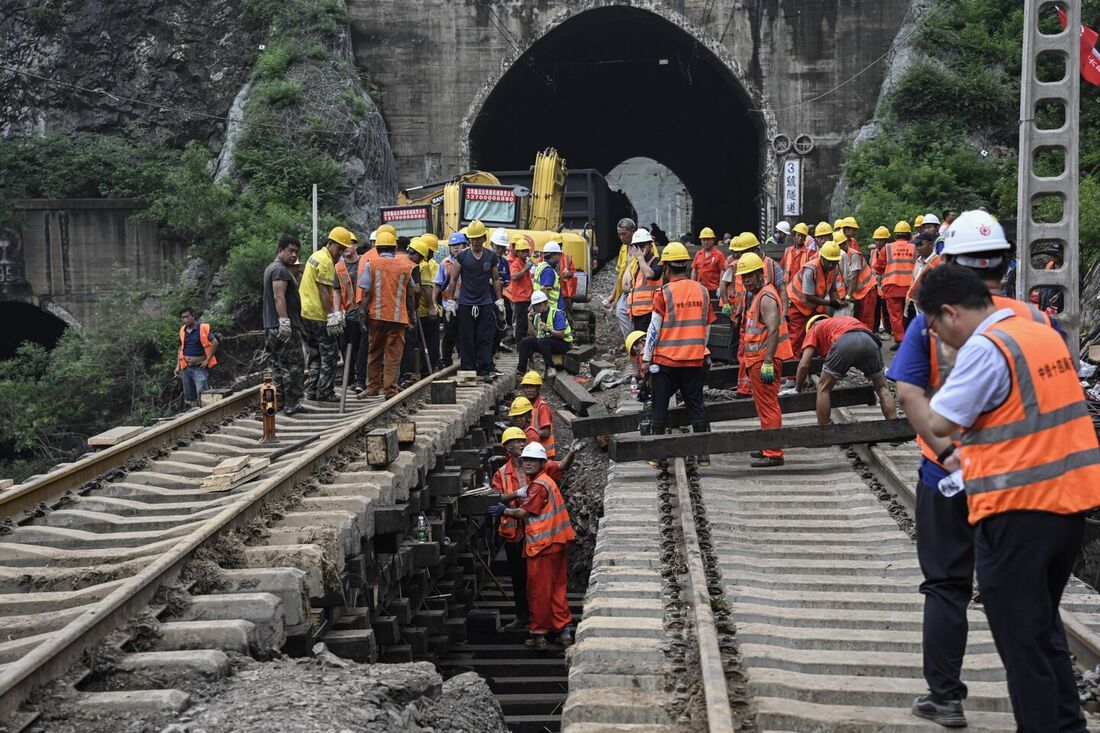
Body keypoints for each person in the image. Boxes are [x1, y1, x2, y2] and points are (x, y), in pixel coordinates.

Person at [890, 209, 1060, 728]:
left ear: (948, 263)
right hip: (1021, 478)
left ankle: (945, 696)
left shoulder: (930, 318)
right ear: (1006, 265)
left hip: (947, 474)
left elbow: (907, 392)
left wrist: (944, 452)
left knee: (946, 584)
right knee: (1030, 596)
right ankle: (1049, 708)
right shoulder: (1036, 319)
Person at [921, 262, 1100, 733]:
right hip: (1069, 505)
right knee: (1043, 632)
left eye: (935, 328)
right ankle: (1068, 726)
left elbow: (940, 420)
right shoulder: (1038, 333)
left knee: (1022, 644)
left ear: (949, 313)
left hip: (1017, 509)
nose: (938, 338)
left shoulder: (987, 347)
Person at [489, 441, 576, 650]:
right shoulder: (545, 481)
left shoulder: (538, 486)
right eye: (526, 460)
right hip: (557, 542)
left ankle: (538, 634)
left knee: (538, 590)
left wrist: (503, 511)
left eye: (532, 460)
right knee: (556, 588)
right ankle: (563, 631)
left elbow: (522, 512)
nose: (527, 464)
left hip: (542, 546)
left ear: (541, 463)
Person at [642, 242, 714, 466]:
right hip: (693, 359)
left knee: (660, 403)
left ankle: (656, 454)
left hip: (667, 360)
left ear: (667, 268)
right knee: (696, 404)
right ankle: (702, 455)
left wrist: (646, 359)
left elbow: (654, 329)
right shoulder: (702, 291)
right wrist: (703, 350)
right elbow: (707, 324)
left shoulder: (664, 293)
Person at [737, 253, 792, 468]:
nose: (745, 282)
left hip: (764, 359)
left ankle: (773, 452)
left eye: (749, 277)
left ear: (760, 274)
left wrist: (768, 360)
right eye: (743, 278)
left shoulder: (767, 297)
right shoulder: (760, 294)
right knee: (763, 405)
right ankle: (767, 444)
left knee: (768, 405)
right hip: (758, 359)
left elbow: (773, 329)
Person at [795, 314, 895, 425]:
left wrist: (798, 388)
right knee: (882, 388)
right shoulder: (842, 320)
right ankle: (894, 429)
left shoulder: (814, 328)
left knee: (823, 388)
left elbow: (804, 364)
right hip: (870, 340)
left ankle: (823, 431)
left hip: (845, 341)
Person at [357, 230, 417, 398]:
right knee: (393, 355)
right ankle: (390, 390)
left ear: (377, 248)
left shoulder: (371, 264)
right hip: (398, 318)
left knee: (374, 352)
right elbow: (410, 293)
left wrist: (363, 313)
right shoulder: (406, 266)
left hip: (376, 317)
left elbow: (367, 292)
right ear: (395, 248)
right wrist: (412, 314)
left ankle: (373, 387)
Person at [444, 220, 505, 378]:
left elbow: (496, 279)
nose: (476, 241)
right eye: (473, 238)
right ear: (469, 239)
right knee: (467, 337)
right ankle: (468, 369)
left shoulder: (490, 256)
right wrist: (451, 302)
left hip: (484, 303)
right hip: (465, 303)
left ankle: (484, 369)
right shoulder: (462, 256)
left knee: (485, 337)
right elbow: (453, 279)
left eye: (478, 238)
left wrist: (499, 301)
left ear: (484, 238)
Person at [300, 227, 352, 402]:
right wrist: (331, 315)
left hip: (305, 313)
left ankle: (313, 390)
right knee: (329, 355)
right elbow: (324, 291)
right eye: (339, 249)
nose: (340, 254)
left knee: (314, 354)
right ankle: (325, 392)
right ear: (330, 243)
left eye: (343, 251)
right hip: (318, 315)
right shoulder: (327, 262)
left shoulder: (315, 256)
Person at [491, 426, 533, 630]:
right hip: (513, 534)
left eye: (523, 441)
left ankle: (540, 616)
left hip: (534, 531)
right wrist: (517, 493)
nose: (522, 444)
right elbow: (495, 498)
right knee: (518, 577)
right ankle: (523, 616)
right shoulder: (502, 473)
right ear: (508, 447)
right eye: (517, 441)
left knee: (535, 577)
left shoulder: (532, 465)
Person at [262, 235, 305, 415]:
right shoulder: (280, 270)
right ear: (280, 250)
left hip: (271, 325)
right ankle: (292, 403)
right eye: (290, 251)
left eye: (296, 251)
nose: (294, 255)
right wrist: (285, 321)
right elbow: (279, 296)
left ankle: (279, 401)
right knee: (293, 365)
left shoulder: (273, 268)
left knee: (278, 365)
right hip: (283, 325)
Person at [787, 231, 844, 356]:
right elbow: (809, 297)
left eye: (834, 262)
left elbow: (833, 289)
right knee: (797, 337)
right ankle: (793, 371)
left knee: (823, 331)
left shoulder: (833, 269)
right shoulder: (811, 269)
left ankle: (818, 363)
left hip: (814, 305)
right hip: (798, 304)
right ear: (822, 257)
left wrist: (838, 303)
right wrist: (830, 302)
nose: (831, 264)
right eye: (829, 261)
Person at [874, 220, 915, 350]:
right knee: (910, 314)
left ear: (895, 234)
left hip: (892, 285)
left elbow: (878, 267)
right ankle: (911, 340)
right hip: (911, 286)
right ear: (908, 234)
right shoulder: (915, 247)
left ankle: (900, 340)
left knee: (895, 315)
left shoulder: (888, 248)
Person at [333, 239, 367, 393]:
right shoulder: (339, 267)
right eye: (344, 245)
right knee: (345, 346)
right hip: (346, 313)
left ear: (356, 246)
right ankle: (351, 379)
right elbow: (336, 291)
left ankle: (360, 380)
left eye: (350, 244)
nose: (346, 247)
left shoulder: (365, 262)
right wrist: (337, 313)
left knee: (360, 348)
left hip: (362, 311)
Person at [518, 291, 572, 377]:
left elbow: (562, 334)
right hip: (545, 343)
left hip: (562, 343)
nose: (538, 307)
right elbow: (532, 335)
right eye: (536, 305)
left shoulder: (556, 313)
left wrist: (548, 330)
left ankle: (550, 367)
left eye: (540, 304)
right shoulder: (537, 316)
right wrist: (529, 320)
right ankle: (521, 370)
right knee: (525, 341)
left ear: (545, 303)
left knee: (542, 341)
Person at [400, 239, 432, 382]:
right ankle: (407, 374)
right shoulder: (412, 266)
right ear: (418, 256)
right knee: (410, 341)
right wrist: (415, 307)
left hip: (391, 309)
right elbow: (417, 289)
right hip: (406, 309)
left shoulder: (397, 259)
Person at [176, 306, 219, 409]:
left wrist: (208, 359)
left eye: (187, 317)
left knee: (202, 392)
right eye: (183, 317)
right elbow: (181, 348)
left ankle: (204, 413)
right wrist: (178, 366)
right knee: (190, 395)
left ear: (193, 316)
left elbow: (215, 342)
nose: (185, 319)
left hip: (199, 366)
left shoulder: (201, 328)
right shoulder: (183, 330)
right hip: (186, 366)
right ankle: (195, 413)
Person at [434, 232, 467, 368]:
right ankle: (447, 360)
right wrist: (434, 302)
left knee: (464, 333)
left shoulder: (468, 261)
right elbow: (438, 283)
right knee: (449, 333)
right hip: (449, 304)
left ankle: (464, 359)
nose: (456, 248)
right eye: (453, 246)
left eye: (458, 245)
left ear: (465, 245)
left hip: (465, 303)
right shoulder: (445, 264)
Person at [839, 223, 877, 329]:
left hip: (867, 289)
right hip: (859, 292)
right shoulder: (840, 255)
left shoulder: (853, 254)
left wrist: (848, 296)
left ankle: (868, 343)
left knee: (866, 320)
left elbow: (854, 277)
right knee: (858, 320)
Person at [627, 228, 665, 332]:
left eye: (642, 245)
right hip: (638, 314)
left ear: (650, 246)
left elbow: (649, 275)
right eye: (637, 246)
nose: (639, 249)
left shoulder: (656, 262)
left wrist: (640, 258)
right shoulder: (639, 264)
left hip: (650, 313)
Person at [607, 217, 639, 338]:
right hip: (624, 293)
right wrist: (613, 295)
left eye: (624, 234)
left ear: (633, 231)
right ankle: (631, 343)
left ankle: (636, 343)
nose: (621, 237)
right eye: (619, 234)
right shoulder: (623, 248)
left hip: (638, 292)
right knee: (620, 313)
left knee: (636, 319)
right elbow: (619, 274)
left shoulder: (645, 247)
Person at [415, 235, 441, 371]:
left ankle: (418, 369)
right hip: (425, 312)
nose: (431, 255)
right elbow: (426, 288)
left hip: (413, 311)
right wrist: (432, 307)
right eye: (431, 252)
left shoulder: (412, 261)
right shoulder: (425, 265)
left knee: (416, 344)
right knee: (431, 343)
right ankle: (427, 370)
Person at [505, 234, 535, 345]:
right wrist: (526, 268)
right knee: (520, 325)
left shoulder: (525, 263)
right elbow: (514, 276)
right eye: (522, 251)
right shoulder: (516, 264)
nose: (524, 253)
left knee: (527, 324)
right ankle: (520, 346)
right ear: (517, 252)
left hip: (527, 298)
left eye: (526, 251)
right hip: (520, 299)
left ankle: (524, 346)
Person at [519, 370, 556, 458]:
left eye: (532, 387)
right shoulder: (526, 406)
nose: (529, 390)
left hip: (544, 454)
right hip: (533, 453)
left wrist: (525, 435)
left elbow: (546, 432)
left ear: (538, 388)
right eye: (526, 387)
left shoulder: (542, 407)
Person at [906, 231, 941, 312]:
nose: (918, 248)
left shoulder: (938, 262)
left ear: (931, 244)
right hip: (916, 306)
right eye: (916, 245)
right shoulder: (918, 262)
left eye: (921, 245)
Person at [690, 226, 724, 299]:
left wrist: (721, 287)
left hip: (713, 289)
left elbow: (722, 271)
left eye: (708, 239)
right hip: (700, 289)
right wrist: (693, 285)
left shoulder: (719, 255)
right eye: (703, 240)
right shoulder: (698, 254)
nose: (706, 242)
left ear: (713, 240)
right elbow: (694, 270)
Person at [534, 241, 564, 311]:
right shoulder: (548, 271)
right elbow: (544, 289)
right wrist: (545, 310)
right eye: (559, 254)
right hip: (553, 310)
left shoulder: (541, 266)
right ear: (553, 255)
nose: (560, 256)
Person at [780, 222, 810, 291]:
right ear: (794, 236)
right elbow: (782, 267)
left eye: (802, 236)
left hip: (801, 288)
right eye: (798, 235)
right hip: (788, 287)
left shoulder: (808, 253)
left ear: (805, 238)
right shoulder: (788, 251)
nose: (800, 238)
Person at [625, 329, 649, 402]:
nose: (637, 353)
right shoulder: (642, 355)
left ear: (643, 341)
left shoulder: (645, 354)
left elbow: (647, 374)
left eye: (636, 349)